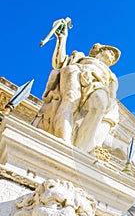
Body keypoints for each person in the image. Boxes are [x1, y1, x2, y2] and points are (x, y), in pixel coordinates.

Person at [33, 18, 120, 152]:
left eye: (114, 57)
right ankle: (65, 141)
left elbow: (112, 97)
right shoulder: (79, 57)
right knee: (70, 102)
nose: (113, 56)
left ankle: (81, 148)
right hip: (76, 71)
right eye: (111, 52)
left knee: (99, 106)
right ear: (100, 51)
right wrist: (62, 40)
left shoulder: (111, 76)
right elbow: (59, 62)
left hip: (98, 84)